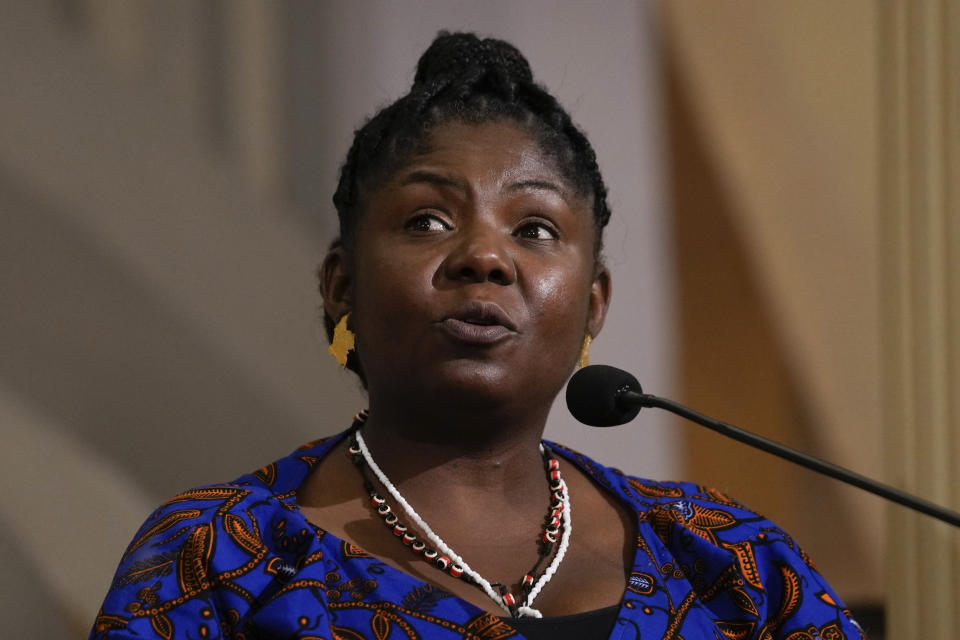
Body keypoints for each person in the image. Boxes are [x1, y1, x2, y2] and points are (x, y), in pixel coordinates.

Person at [90, 32, 865, 640]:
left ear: (592, 303)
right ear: (340, 286)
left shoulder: (734, 562)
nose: (485, 258)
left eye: (534, 228)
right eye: (427, 220)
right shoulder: (223, 558)